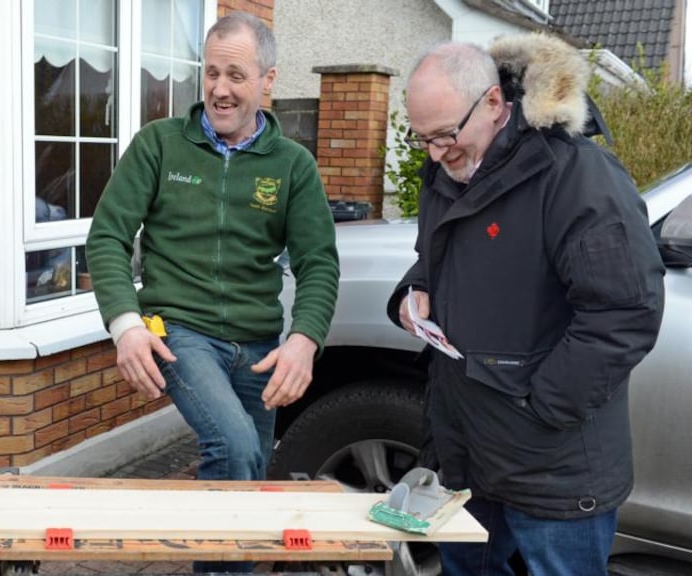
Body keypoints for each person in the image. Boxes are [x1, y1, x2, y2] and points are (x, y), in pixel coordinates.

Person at [387, 34, 666, 575]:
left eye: (445, 135)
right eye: (422, 140)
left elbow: (625, 312)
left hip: (553, 465)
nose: (436, 154)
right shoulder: (446, 169)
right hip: (466, 454)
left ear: (494, 104)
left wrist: (539, 411)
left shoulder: (577, 176)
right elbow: (433, 257)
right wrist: (413, 291)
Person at [86, 11, 338, 571]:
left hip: (259, 345)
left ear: (268, 80)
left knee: (246, 484)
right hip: (179, 331)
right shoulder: (158, 146)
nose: (220, 89)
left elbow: (319, 263)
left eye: (236, 75)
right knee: (236, 446)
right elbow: (105, 238)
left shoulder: (293, 166)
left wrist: (305, 341)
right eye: (211, 73)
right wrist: (126, 325)